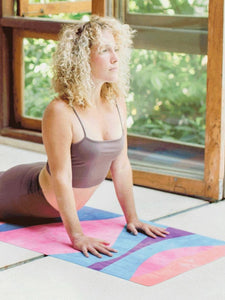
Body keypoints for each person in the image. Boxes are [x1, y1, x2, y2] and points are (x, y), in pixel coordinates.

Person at [0, 15, 169, 258]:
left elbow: (121, 164)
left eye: (116, 49)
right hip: (25, 193)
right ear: (82, 58)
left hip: (44, 180)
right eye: (105, 50)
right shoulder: (60, 110)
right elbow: (61, 177)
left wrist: (133, 218)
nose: (115, 58)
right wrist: (77, 236)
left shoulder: (116, 101)